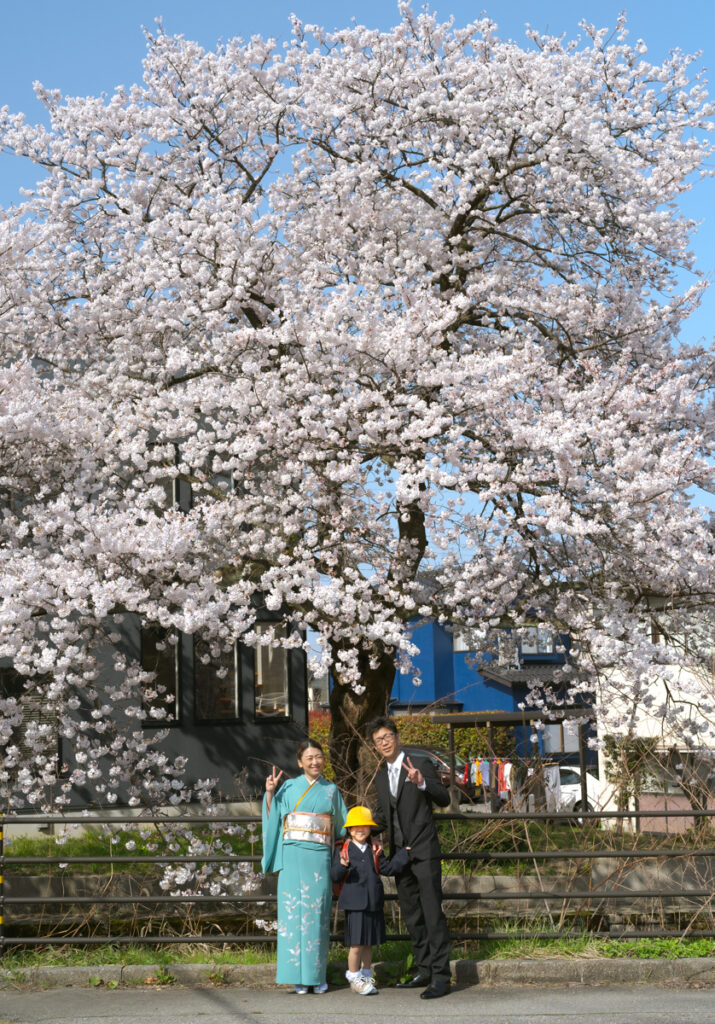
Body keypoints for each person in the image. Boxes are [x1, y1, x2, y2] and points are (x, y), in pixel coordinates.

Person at [367, 715, 452, 999]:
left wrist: (421, 783)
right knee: (413, 917)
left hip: (425, 851)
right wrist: (359, 830)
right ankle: (424, 969)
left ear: (396, 735)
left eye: (387, 736)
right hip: (399, 855)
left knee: (432, 914)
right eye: (378, 740)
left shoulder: (419, 763)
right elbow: (383, 815)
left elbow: (443, 798)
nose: (384, 743)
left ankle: (441, 977)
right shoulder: (380, 776)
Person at [262, 738, 347, 994]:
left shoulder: (331, 790)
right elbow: (273, 817)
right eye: (309, 758)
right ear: (300, 762)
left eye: (318, 757)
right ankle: (296, 976)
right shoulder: (287, 787)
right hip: (292, 857)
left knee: (317, 914)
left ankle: (316, 975)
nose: (315, 762)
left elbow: (342, 826)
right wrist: (269, 793)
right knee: (291, 916)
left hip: (319, 858)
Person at [330, 804, 410, 995]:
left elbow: (387, 869)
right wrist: (342, 865)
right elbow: (334, 876)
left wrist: (404, 854)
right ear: (349, 829)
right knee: (356, 944)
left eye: (364, 826)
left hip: (373, 901)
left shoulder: (374, 849)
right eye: (355, 826)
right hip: (354, 903)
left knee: (368, 942)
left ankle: (366, 977)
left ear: (370, 829)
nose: (360, 829)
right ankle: (354, 976)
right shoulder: (343, 849)